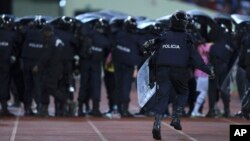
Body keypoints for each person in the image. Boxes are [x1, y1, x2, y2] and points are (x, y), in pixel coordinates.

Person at [142, 10, 214, 140]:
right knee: (183, 93)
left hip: (162, 70)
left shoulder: (163, 35)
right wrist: (208, 70)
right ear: (184, 23)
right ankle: (176, 117)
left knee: (162, 98)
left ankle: (157, 124)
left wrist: (152, 73)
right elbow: (195, 59)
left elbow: (153, 56)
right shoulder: (187, 37)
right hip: (179, 71)